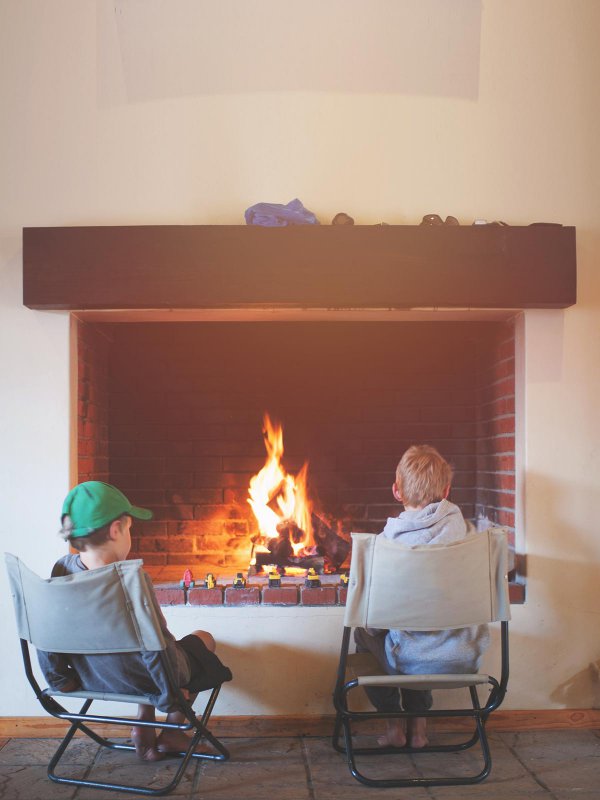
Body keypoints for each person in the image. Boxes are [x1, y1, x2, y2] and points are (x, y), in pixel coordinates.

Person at [37, 481, 232, 762]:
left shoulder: (61, 571)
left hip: (90, 676)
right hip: (145, 678)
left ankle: (144, 720)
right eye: (129, 527)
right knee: (203, 639)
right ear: (116, 529)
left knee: (140, 653)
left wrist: (59, 678)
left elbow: (47, 634)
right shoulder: (131, 582)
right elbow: (158, 649)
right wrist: (170, 696)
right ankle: (174, 730)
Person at [354, 445, 489, 749]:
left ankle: (394, 725)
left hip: (409, 660)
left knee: (369, 635)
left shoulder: (387, 546)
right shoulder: (468, 537)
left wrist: (376, 628)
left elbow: (375, 620)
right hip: (464, 657)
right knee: (422, 632)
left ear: (396, 491)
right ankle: (419, 728)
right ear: (447, 490)